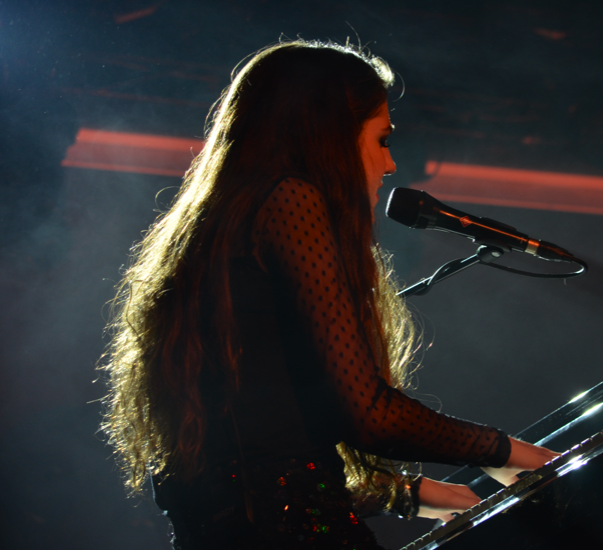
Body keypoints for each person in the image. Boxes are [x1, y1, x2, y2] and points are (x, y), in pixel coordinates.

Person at [99, 40, 558, 550]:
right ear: (328, 135)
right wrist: (506, 451)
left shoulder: (219, 231)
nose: (390, 164)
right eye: (382, 139)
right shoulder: (291, 199)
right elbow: (369, 416)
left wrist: (402, 493)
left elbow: (255, 452)